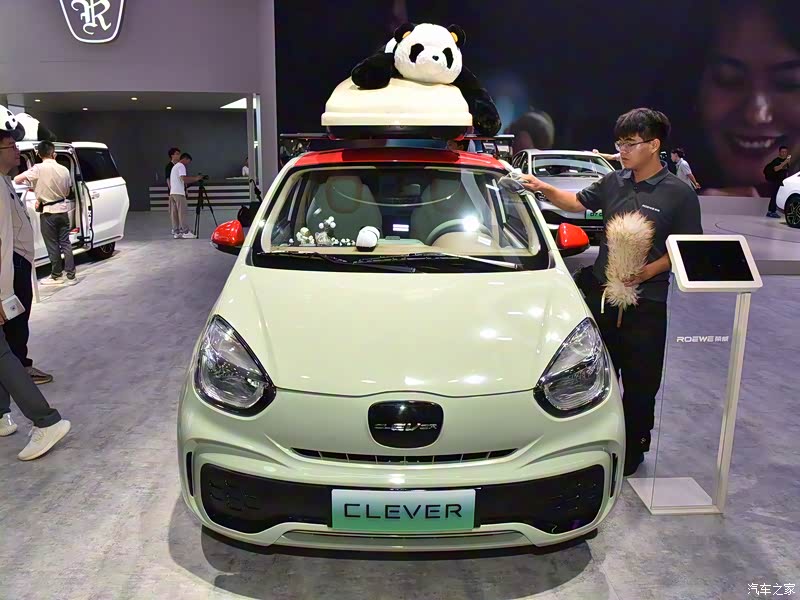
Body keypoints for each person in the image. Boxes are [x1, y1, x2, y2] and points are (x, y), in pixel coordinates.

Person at [519, 108, 702, 476]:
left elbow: (686, 247)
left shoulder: (679, 194)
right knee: (591, 377)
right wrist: (542, 188)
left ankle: (634, 449)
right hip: (601, 299)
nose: (622, 151)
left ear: (654, 145)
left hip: (646, 305)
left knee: (640, 384)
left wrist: (648, 271)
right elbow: (576, 203)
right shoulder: (613, 182)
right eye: (619, 143)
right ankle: (590, 445)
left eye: (630, 144)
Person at [0, 126, 71, 460]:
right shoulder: (4, 183)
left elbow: (2, 243)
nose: (17, 152)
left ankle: (44, 420)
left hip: (11, 271)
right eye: (10, 146)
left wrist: (3, 292)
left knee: (6, 351)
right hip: (11, 270)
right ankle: (6, 414)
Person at [14, 141, 75, 286]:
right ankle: (71, 276)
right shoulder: (64, 169)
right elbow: (68, 191)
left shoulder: (38, 168)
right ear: (53, 153)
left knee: (52, 244)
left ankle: (57, 275)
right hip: (63, 210)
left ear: (39, 154)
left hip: (48, 212)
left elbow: (17, 179)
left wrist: (33, 185)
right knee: (66, 243)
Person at [168, 153, 202, 239]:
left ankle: (176, 232)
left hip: (172, 193)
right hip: (179, 193)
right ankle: (186, 232)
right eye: (188, 162)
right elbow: (184, 179)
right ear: (185, 159)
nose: (188, 164)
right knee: (182, 213)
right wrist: (196, 178)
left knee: (174, 214)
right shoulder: (181, 166)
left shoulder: (175, 166)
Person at [763, 145, 792, 218]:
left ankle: (772, 211)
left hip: (781, 182)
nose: (784, 153)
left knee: (777, 196)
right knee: (774, 196)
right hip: (775, 181)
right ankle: (771, 211)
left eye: (785, 152)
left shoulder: (786, 161)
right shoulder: (776, 160)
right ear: (779, 152)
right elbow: (776, 169)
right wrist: (785, 162)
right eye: (782, 152)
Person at [165, 147, 181, 236]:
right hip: (173, 192)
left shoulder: (179, 165)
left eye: (179, 154)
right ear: (172, 155)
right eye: (177, 154)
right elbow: (168, 179)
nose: (179, 155)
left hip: (180, 191)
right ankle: (175, 229)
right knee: (174, 212)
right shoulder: (169, 166)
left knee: (180, 211)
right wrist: (171, 190)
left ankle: (180, 227)